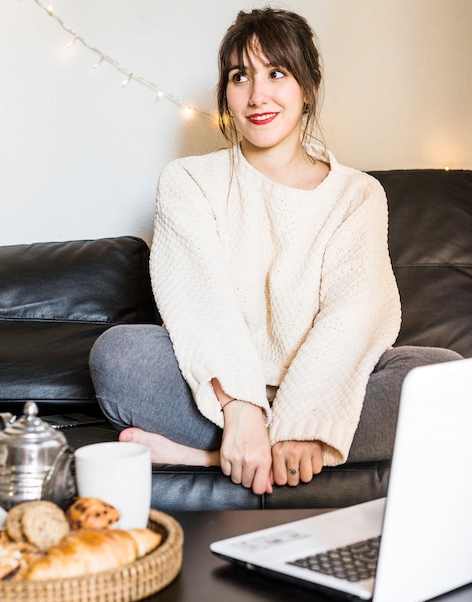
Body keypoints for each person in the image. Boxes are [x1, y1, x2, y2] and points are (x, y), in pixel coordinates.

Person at [89, 8, 462, 496]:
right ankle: (254, 448)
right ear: (226, 92)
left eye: (276, 73)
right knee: (119, 355)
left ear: (306, 87)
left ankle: (208, 458)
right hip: (218, 395)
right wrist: (241, 408)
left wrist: (306, 419)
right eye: (240, 76)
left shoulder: (358, 193)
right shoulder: (189, 181)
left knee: (448, 378)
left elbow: (355, 314)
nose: (257, 95)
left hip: (331, 387)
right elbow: (200, 302)